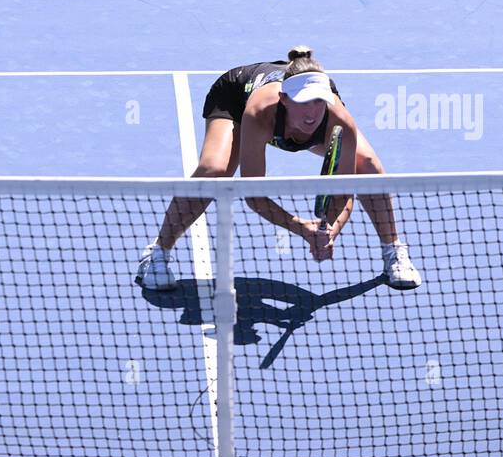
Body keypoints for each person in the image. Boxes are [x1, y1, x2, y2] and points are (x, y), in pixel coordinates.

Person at [136, 45, 422, 291]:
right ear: (285, 99)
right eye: (303, 102)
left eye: (318, 102)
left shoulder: (338, 119)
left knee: (369, 165)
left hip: (287, 121)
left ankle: (393, 249)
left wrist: (331, 230)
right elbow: (253, 194)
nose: (312, 112)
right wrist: (301, 228)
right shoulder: (259, 112)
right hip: (235, 95)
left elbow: (344, 189)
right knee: (214, 170)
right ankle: (157, 253)